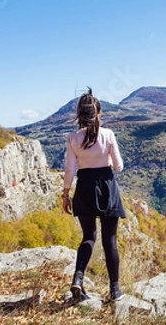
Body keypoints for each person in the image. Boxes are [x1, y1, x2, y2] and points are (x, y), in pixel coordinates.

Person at [62, 88, 126, 302]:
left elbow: (70, 170)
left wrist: (65, 195)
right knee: (110, 240)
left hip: (84, 189)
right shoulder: (108, 135)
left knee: (88, 237)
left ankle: (78, 279)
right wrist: (105, 160)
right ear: (98, 114)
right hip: (107, 187)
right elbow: (119, 167)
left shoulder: (72, 138)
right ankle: (115, 290)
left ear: (81, 115)